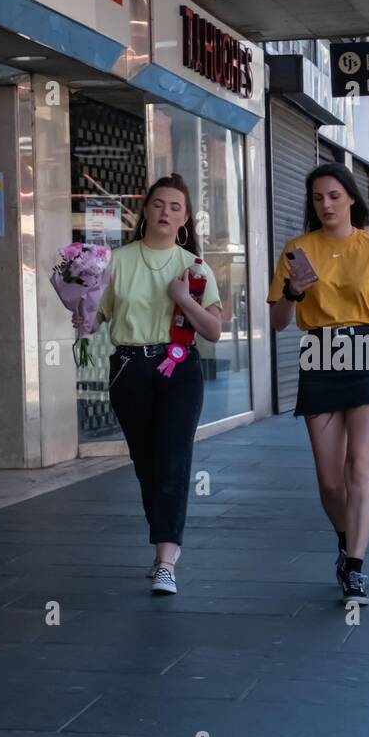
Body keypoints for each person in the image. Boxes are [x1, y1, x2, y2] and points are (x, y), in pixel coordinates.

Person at [268, 163, 369, 606]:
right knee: (329, 481)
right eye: (318, 198)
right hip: (319, 355)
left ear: (351, 198)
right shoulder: (297, 249)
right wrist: (294, 293)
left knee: (360, 467)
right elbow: (279, 322)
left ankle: (355, 568)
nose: (326, 205)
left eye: (334, 196)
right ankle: (345, 541)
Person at [99, 174, 222, 596]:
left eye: (174, 207)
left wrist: (184, 298)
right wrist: (72, 295)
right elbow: (93, 316)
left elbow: (214, 331)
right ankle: (164, 540)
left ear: (185, 218)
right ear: (145, 210)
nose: (165, 212)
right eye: (158, 204)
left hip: (178, 369)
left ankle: (165, 559)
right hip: (129, 369)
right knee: (146, 465)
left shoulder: (194, 267)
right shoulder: (116, 261)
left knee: (173, 462)